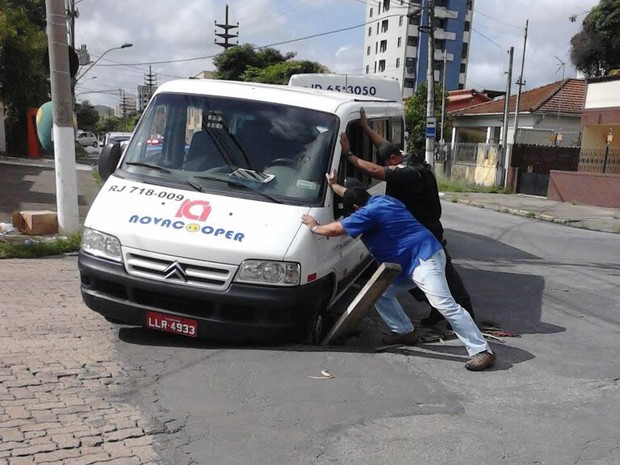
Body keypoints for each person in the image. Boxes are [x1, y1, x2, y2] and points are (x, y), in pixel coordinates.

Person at [301, 182, 496, 371]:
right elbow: (351, 194)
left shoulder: (368, 213)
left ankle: (481, 350)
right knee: (379, 292)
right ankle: (405, 332)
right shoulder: (383, 200)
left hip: (423, 259)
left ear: (356, 207)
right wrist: (334, 185)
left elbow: (335, 229)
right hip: (412, 260)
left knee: (444, 304)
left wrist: (314, 226)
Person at [340, 108, 475, 327]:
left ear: (394, 160)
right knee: (413, 276)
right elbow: (386, 149)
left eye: (389, 164)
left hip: (427, 231)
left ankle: (466, 316)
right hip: (413, 232)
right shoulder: (406, 158)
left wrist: (349, 155)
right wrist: (366, 129)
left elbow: (376, 171)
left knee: (446, 276)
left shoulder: (411, 172)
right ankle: (437, 311)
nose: (388, 167)